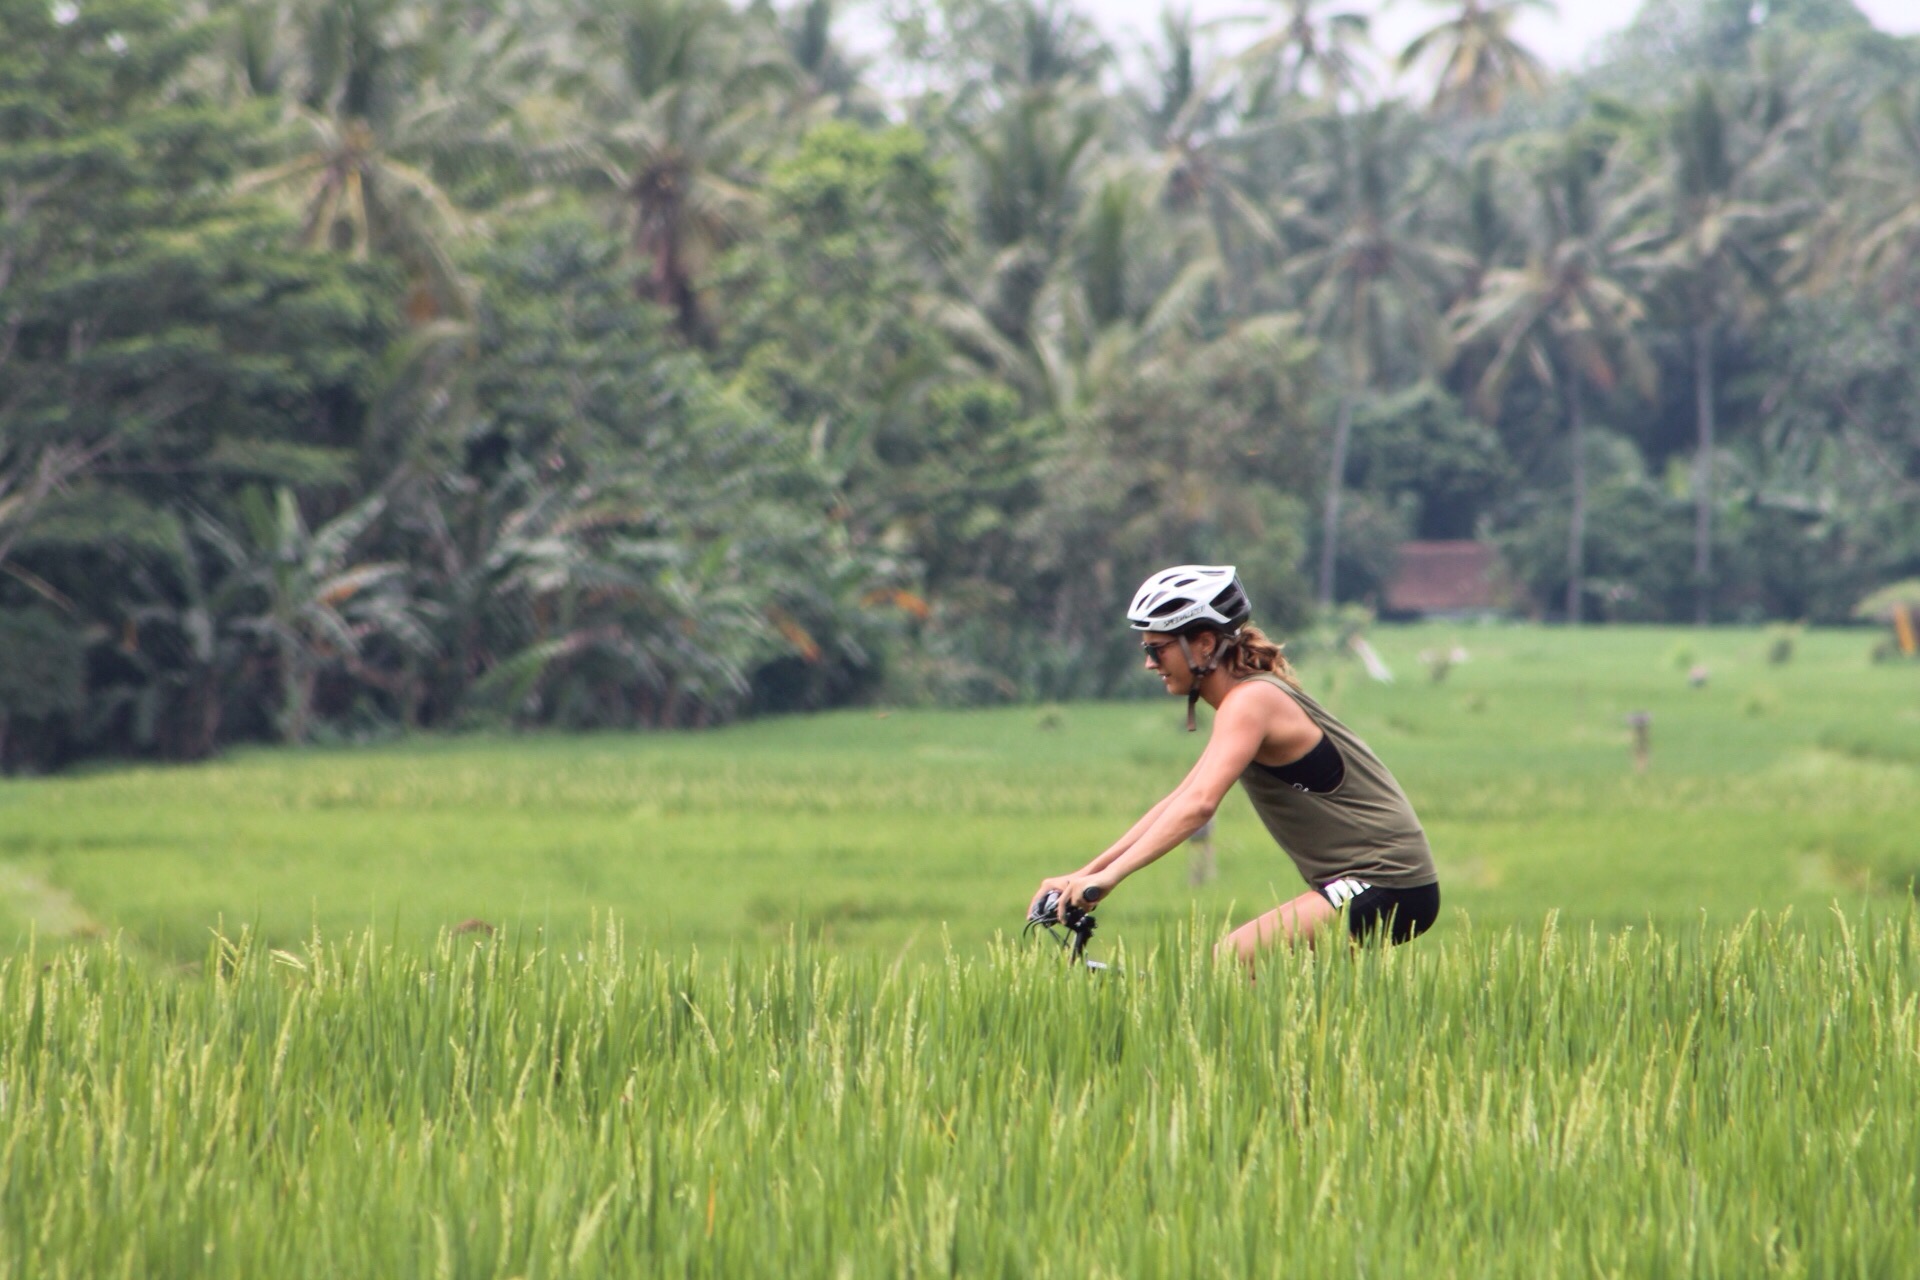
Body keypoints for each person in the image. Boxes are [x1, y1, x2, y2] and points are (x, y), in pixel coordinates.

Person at [1030, 565, 1440, 963]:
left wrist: (1108, 879)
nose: (1149, 663)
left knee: (1230, 962)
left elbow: (1200, 806)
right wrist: (1086, 874)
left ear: (1204, 643)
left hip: (1387, 882)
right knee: (1286, 1004)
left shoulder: (1250, 702)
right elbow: (1180, 799)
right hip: (1367, 883)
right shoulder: (1244, 701)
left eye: (1157, 649)